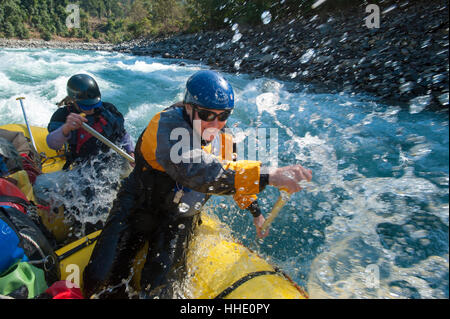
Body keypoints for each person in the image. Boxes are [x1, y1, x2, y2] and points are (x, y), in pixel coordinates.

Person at [83, 70, 312, 299]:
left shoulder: (224, 138)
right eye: (206, 114)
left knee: (162, 292)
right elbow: (198, 171)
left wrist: (255, 211)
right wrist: (268, 175)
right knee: (99, 278)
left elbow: (230, 171)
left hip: (178, 218)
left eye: (223, 116)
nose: (215, 124)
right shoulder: (166, 124)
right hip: (139, 204)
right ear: (188, 107)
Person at [33, 74, 135, 239]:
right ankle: (64, 215)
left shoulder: (107, 110)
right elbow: (52, 143)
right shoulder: (62, 116)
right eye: (85, 106)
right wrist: (66, 128)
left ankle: (96, 228)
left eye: (94, 105)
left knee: (95, 185)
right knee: (41, 186)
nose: (91, 109)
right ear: (73, 101)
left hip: (113, 163)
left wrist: (130, 152)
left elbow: (123, 135)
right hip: (83, 168)